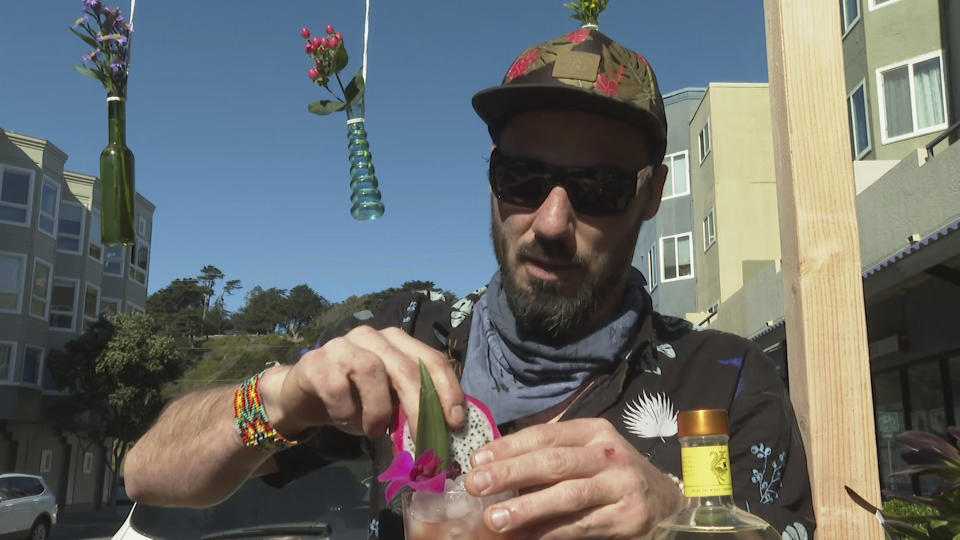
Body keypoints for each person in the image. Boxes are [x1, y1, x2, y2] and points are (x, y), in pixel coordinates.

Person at [125, 27, 816, 539]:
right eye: (522, 178)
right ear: (491, 176)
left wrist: (677, 517)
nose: (550, 220)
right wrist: (278, 396)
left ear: (650, 193)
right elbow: (147, 474)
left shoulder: (724, 379)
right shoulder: (401, 343)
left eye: (597, 188)